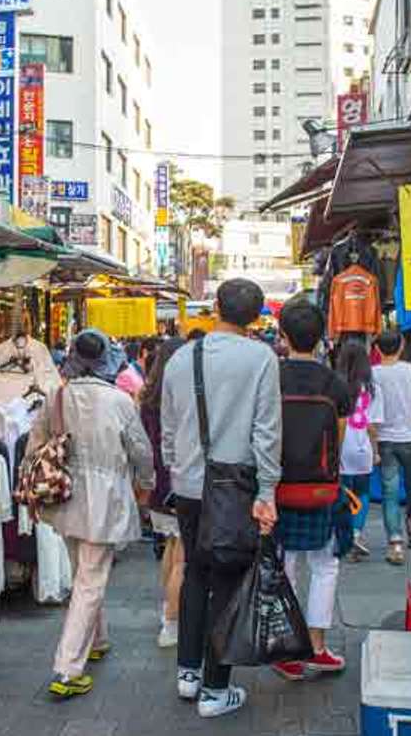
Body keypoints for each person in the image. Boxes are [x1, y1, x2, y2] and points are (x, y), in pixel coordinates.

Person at [161, 278, 280, 719]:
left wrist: (177, 465)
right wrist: (268, 490)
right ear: (256, 316)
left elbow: (168, 425)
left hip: (190, 485)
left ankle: (188, 674)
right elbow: (267, 431)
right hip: (238, 488)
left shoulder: (181, 357)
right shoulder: (262, 358)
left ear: (214, 307)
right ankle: (215, 689)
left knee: (195, 572)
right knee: (229, 582)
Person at [28, 329, 155, 699]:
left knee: (83, 573)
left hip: (63, 496)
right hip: (105, 499)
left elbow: (35, 447)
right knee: (89, 580)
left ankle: (97, 639)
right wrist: (144, 486)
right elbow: (141, 452)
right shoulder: (119, 401)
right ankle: (68, 670)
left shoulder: (57, 396)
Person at [269, 301, 352, 681]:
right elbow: (339, 438)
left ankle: (286, 650)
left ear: (283, 336)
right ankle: (317, 647)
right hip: (321, 489)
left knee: (282, 567)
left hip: (276, 486)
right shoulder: (335, 383)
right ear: (321, 338)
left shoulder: (270, 376)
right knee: (325, 565)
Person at [140, 337, 187, 648]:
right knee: (183, 556)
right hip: (179, 482)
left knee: (170, 548)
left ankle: (167, 611)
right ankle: (172, 622)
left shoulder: (146, 399)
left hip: (157, 485)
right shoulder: (181, 398)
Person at [370, 330, 411, 564]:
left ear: (377, 349)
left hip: (385, 440)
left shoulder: (373, 374)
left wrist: (373, 444)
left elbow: (370, 413)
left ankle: (395, 542)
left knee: (390, 492)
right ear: (402, 346)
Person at [335, 337, 384, 563]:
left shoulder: (334, 385)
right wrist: (375, 451)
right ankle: (355, 534)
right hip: (362, 447)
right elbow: (372, 426)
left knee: (344, 493)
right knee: (362, 493)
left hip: (341, 446)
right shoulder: (373, 389)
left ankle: (342, 535)